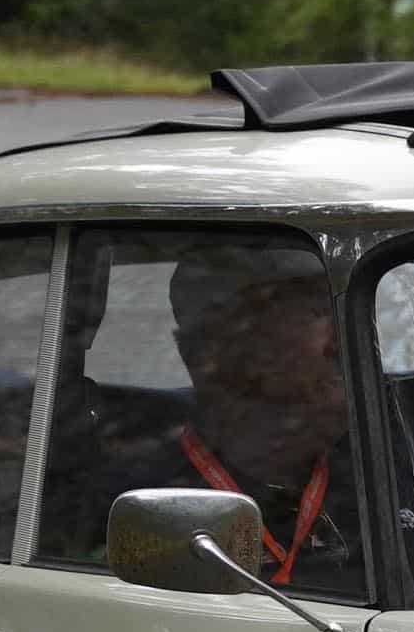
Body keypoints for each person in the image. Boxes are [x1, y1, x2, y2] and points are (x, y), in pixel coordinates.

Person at [143, 245, 354, 588]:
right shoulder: (150, 501)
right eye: (316, 312)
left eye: (344, 311)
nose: (343, 339)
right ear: (210, 354)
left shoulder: (397, 458)